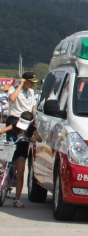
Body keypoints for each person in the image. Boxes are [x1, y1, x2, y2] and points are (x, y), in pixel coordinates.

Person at [6, 72, 39, 209]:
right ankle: (7, 179)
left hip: (27, 122)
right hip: (14, 120)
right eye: (30, 81)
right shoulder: (15, 89)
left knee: (21, 158)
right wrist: (19, 85)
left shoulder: (31, 92)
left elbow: (32, 108)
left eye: (33, 82)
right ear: (24, 81)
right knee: (9, 152)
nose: (32, 84)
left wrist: (34, 123)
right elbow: (12, 99)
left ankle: (17, 198)